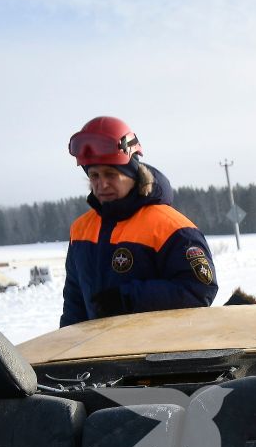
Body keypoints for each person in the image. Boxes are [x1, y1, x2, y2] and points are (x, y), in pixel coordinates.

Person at [59, 116, 218, 326]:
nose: (102, 184)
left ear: (133, 174)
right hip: (99, 353)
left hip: (156, 352)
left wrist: (128, 299)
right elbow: (74, 299)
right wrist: (68, 343)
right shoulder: (81, 229)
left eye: (111, 174)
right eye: (94, 175)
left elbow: (199, 290)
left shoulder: (171, 227)